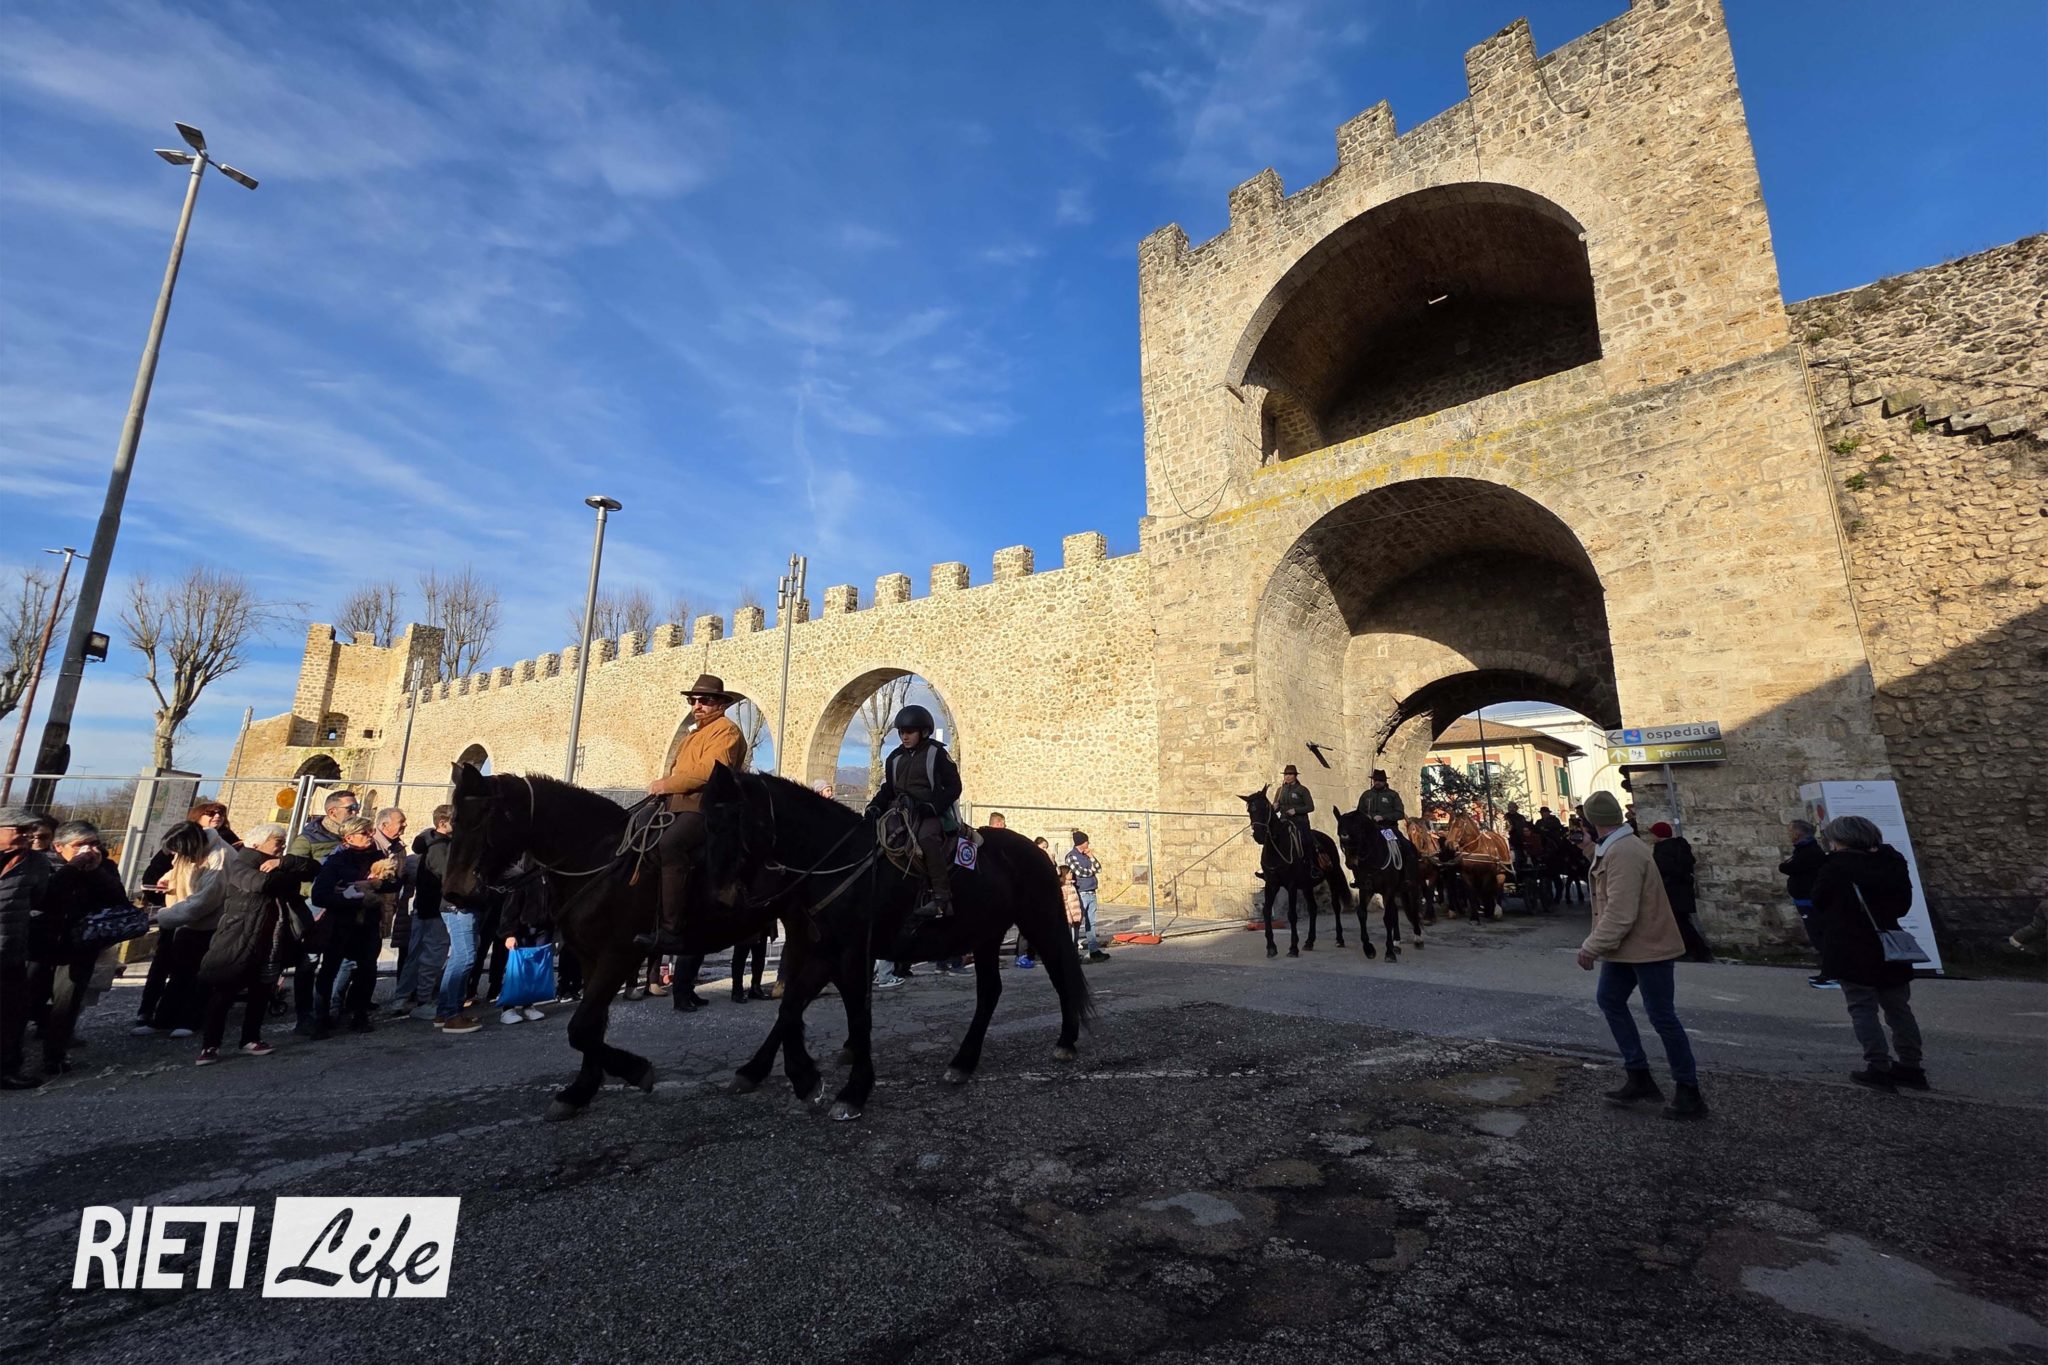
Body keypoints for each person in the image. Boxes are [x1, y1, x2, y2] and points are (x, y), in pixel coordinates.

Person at [1575, 790, 1705, 1120]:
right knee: (1610, 1000)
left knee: (1661, 1016)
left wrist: (1592, 946)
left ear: (1592, 821)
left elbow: (1621, 911)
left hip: (1648, 947)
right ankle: (1639, 1074)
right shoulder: (1615, 847)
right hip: (1626, 948)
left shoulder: (1624, 852)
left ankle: (1688, 1090)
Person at [1809, 815, 1927, 1091]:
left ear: (1841, 839)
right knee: (1899, 1008)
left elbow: (1819, 900)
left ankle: (1878, 1066)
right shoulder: (1892, 862)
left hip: (1851, 943)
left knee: (1862, 1007)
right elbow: (1903, 905)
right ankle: (1911, 1065)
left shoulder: (1836, 866)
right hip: (1889, 943)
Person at [637, 674, 749, 952]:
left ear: (720, 704)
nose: (697, 705)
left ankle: (672, 928)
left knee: (671, 843)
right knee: (637, 831)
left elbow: (710, 771)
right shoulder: (693, 734)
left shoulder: (726, 731)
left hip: (704, 806)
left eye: (704, 700)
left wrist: (668, 784)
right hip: (675, 803)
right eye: (693, 700)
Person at [193, 824, 317, 1064]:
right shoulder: (240, 863)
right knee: (225, 992)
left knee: (262, 990)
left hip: (271, 939)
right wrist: (287, 875)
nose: (282, 846)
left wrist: (284, 863)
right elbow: (262, 884)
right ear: (257, 843)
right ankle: (210, 1045)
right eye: (277, 842)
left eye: (283, 842)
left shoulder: (279, 863)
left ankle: (250, 1038)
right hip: (239, 937)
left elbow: (313, 868)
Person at [33, 821, 129, 1078]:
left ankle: (55, 1056)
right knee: (27, 997)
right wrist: (72, 868)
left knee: (67, 1002)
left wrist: (96, 872)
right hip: (39, 942)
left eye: (95, 843)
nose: (89, 850)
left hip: (80, 944)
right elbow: (45, 898)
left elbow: (118, 900)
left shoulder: (105, 867)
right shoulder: (43, 863)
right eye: (80, 845)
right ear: (59, 847)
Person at [865, 704, 964, 917]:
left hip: (930, 812)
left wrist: (933, 806)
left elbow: (954, 786)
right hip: (899, 810)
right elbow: (889, 788)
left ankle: (941, 898)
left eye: (909, 732)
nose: (904, 736)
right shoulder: (894, 758)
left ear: (924, 732)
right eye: (901, 732)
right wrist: (875, 805)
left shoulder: (937, 754)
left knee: (926, 838)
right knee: (874, 835)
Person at [309, 816, 393, 1037]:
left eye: (370, 831)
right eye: (364, 833)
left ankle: (360, 1015)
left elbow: (394, 883)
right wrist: (351, 895)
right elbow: (319, 895)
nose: (370, 836)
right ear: (349, 838)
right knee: (329, 970)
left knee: (367, 970)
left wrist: (378, 884)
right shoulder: (336, 861)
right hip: (341, 924)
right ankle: (321, 1019)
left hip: (368, 924)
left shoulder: (378, 857)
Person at [148, 822, 232, 1038]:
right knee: (179, 972)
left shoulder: (219, 858)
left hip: (211, 923)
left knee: (198, 975)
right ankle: (163, 1019)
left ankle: (190, 1020)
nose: (177, 857)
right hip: (188, 921)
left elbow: (204, 901)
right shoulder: (195, 849)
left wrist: (163, 916)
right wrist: (167, 879)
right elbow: (180, 869)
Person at [0, 805, 54, 1089]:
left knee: (11, 1014)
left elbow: (40, 899)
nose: (28, 835)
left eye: (30, 830)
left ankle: (7, 1069)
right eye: (20, 830)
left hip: (10, 949)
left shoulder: (36, 863)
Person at [392, 806, 454, 1018]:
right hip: (436, 907)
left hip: (423, 906)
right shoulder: (440, 847)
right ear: (442, 823)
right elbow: (447, 877)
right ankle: (423, 1000)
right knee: (433, 955)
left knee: (416, 953)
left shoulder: (429, 842)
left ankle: (402, 998)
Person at [1647, 822, 1713, 963]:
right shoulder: (1679, 846)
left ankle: (1697, 951)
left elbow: (1663, 869)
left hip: (1672, 891)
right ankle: (1693, 950)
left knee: (1681, 923)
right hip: (1683, 890)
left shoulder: (1663, 849)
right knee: (1682, 921)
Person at [1780, 819, 1832, 988]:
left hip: (1809, 900)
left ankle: (1831, 973)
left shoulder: (1808, 851)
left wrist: (1786, 865)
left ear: (1798, 833)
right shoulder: (1806, 849)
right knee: (1818, 936)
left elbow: (1787, 867)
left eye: (1790, 831)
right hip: (1806, 899)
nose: (1789, 834)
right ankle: (1828, 971)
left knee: (1820, 936)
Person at [1065, 832, 1109, 963]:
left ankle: (1093, 950)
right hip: (1081, 893)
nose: (1088, 843)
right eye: (1086, 841)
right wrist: (1092, 871)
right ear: (1081, 842)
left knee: (1092, 923)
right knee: (1077, 924)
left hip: (1092, 892)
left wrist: (1091, 857)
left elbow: (1098, 868)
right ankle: (1073, 952)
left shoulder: (1086, 855)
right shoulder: (1071, 856)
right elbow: (1080, 872)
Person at [289, 789, 360, 861]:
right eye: (351, 808)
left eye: (357, 807)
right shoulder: (308, 839)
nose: (356, 812)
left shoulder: (362, 834)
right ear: (332, 812)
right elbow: (296, 866)